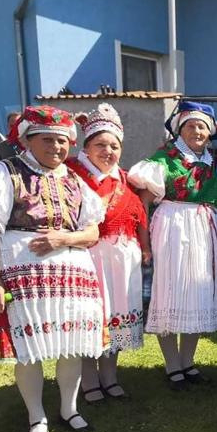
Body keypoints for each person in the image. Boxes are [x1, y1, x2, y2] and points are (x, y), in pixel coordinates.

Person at [0, 105, 106, 432]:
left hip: (73, 275)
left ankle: (69, 409)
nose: (56, 147)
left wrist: (64, 239)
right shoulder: (6, 173)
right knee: (29, 347)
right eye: (47, 140)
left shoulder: (74, 180)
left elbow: (92, 231)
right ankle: (36, 416)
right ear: (28, 140)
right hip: (24, 273)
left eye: (62, 141)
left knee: (71, 345)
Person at [128, 101, 217, 390]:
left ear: (210, 132)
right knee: (170, 294)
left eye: (202, 126)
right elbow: (143, 203)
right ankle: (172, 366)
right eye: (190, 126)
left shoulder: (216, 164)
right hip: (173, 230)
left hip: (208, 233)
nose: (197, 131)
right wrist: (145, 242)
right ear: (179, 129)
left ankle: (187, 362)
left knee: (197, 296)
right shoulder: (164, 160)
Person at [67, 104, 150, 402]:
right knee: (90, 318)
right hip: (87, 258)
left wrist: (145, 247)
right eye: (100, 145)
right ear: (87, 147)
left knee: (117, 316)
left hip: (121, 260)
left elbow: (140, 214)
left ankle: (110, 376)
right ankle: (89, 381)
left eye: (114, 146)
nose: (108, 151)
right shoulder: (71, 175)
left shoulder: (126, 179)